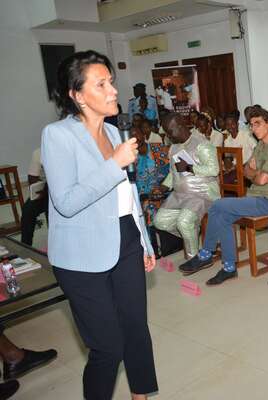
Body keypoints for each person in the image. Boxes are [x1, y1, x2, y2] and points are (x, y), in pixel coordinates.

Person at [41, 50, 158, 400]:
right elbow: (66, 202)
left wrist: (144, 242)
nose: (112, 91)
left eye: (112, 82)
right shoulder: (58, 135)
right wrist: (114, 164)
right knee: (108, 347)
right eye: (101, 84)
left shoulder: (114, 131)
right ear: (77, 95)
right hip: (81, 255)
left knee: (136, 329)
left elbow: (129, 194)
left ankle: (142, 396)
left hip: (125, 239)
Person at [179, 107, 268, 285]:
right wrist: (256, 173)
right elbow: (246, 170)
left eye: (258, 124)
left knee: (217, 206)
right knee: (223, 215)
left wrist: (256, 173)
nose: (254, 128)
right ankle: (229, 268)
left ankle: (206, 254)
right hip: (254, 197)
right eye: (252, 125)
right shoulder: (261, 144)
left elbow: (260, 179)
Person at [153, 113, 220, 260]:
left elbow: (214, 170)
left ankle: (195, 259)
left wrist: (190, 168)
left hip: (202, 194)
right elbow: (173, 173)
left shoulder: (202, 144)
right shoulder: (173, 148)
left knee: (184, 222)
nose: (169, 136)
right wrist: (163, 187)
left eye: (170, 132)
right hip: (179, 195)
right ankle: (192, 233)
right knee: (159, 221)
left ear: (181, 125)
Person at [20, 148, 48, 246]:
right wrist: (39, 189)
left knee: (51, 210)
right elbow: (32, 178)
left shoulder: (67, 151)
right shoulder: (38, 152)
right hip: (44, 190)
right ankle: (25, 246)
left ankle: (56, 246)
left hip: (62, 191)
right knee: (28, 209)